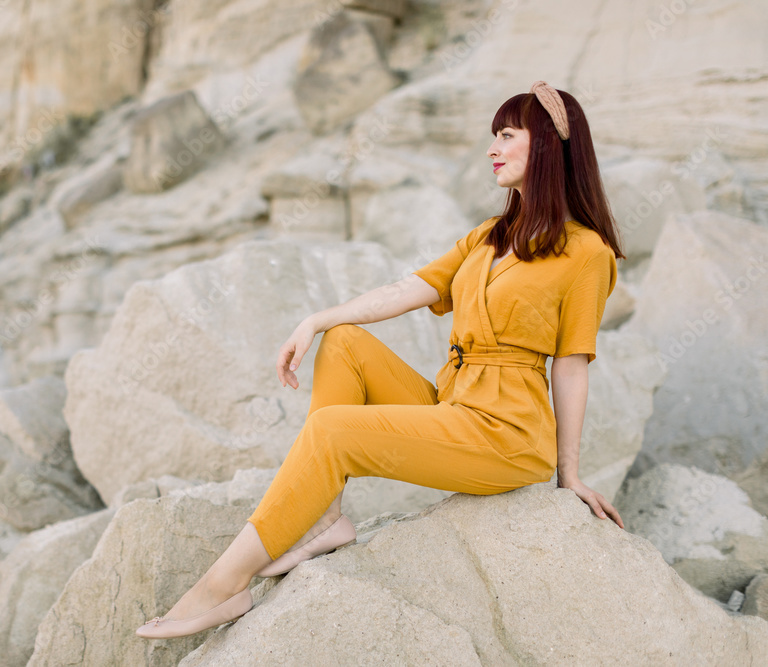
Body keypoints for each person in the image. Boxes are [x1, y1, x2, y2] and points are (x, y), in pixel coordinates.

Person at [136, 80, 627, 640]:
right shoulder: (489, 237)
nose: (492, 148)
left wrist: (570, 475)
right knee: (344, 340)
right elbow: (407, 289)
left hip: (507, 433)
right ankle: (324, 519)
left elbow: (571, 363)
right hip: (454, 403)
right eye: (492, 136)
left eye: (507, 135)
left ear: (548, 146)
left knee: (332, 431)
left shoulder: (586, 252)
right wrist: (316, 319)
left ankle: (223, 585)